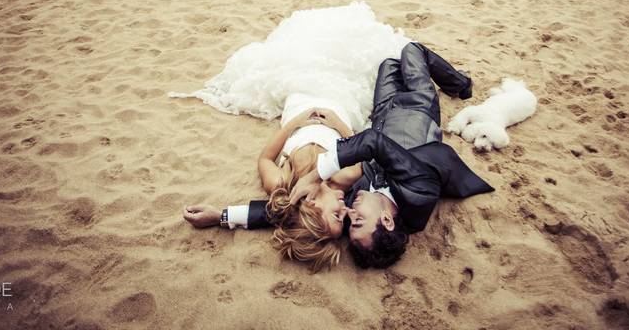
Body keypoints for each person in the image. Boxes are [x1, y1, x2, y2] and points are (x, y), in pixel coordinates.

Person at [188, 43, 493, 269]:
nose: (350, 215)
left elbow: (294, 211)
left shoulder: (356, 208)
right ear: (387, 220)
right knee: (408, 52)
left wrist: (222, 216)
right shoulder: (419, 194)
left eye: (350, 223)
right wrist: (316, 173)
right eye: (358, 222)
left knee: (392, 60)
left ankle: (455, 83)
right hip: (415, 111)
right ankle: (461, 84)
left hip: (381, 114)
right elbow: (372, 143)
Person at [185, 95, 363, 271]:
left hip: (299, 112)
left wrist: (294, 123)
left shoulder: (283, 183)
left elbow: (265, 159)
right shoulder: (346, 176)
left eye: (337, 215)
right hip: (338, 110)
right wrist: (337, 123)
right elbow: (360, 145)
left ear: (312, 204)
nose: (346, 210)